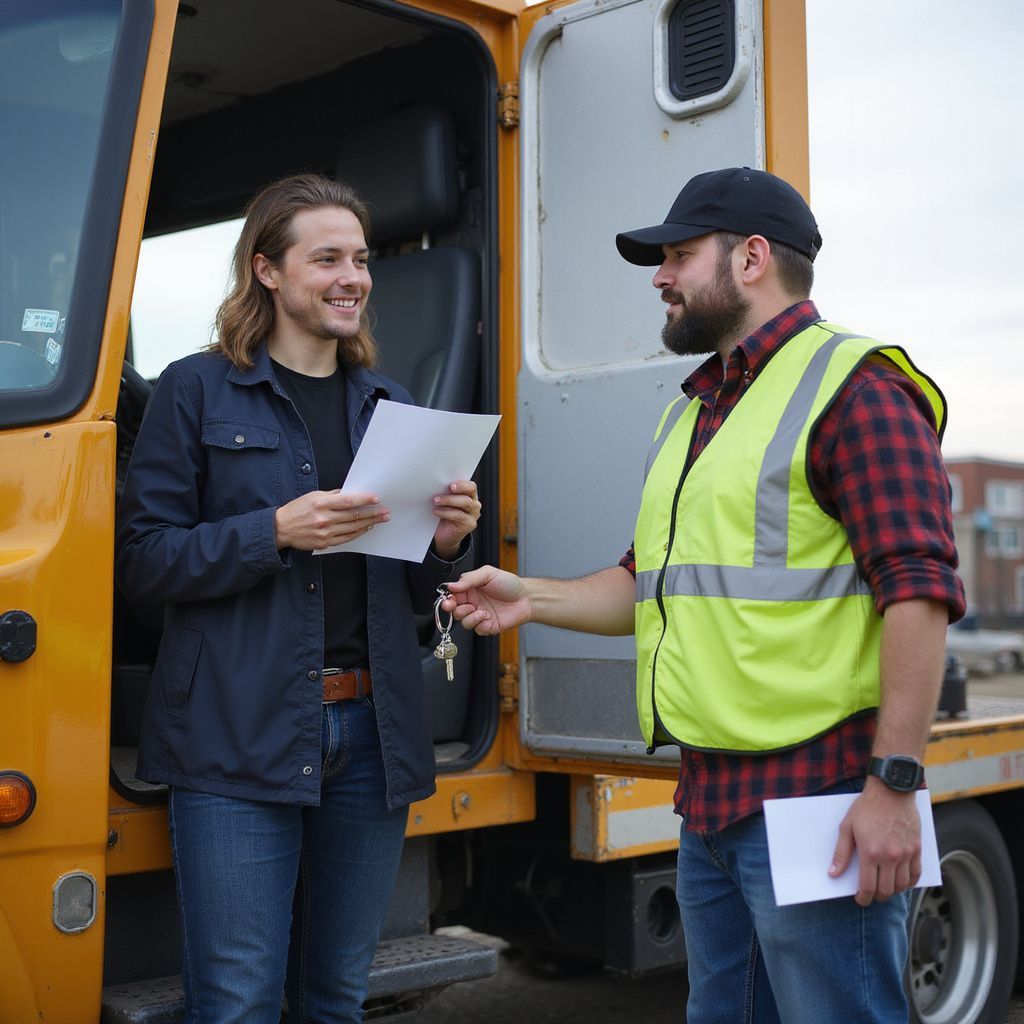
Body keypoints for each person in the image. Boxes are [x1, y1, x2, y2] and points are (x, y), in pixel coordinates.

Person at [444, 167, 964, 1023]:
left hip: (820, 799)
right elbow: (649, 583)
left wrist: (894, 788)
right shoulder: (694, 411)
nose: (661, 276)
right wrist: (527, 598)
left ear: (752, 258)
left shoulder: (857, 390)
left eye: (680, 255)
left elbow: (919, 593)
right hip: (710, 805)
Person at [116, 174, 480, 1024]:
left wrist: (446, 545)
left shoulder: (391, 407)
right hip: (233, 733)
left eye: (360, 258)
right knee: (237, 1002)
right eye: (327, 258)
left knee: (335, 1001)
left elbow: (418, 600)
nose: (352, 275)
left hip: (372, 733)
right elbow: (142, 564)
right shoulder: (194, 389)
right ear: (268, 271)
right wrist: (272, 530)